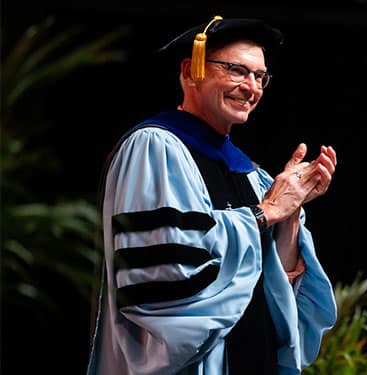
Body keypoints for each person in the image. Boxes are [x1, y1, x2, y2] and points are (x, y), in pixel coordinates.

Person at [87, 16, 338, 374]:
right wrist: (264, 213)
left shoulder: (252, 175)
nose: (251, 87)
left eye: (260, 76)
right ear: (191, 71)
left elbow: (274, 284)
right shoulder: (154, 148)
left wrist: (291, 212)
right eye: (237, 70)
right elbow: (167, 276)